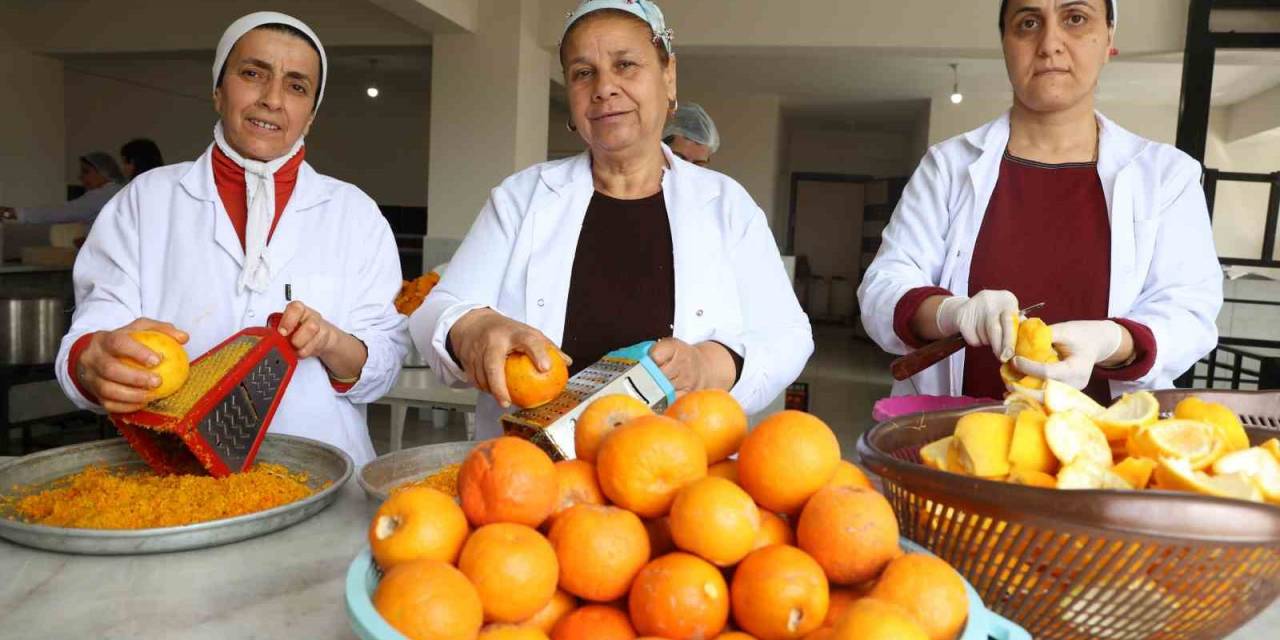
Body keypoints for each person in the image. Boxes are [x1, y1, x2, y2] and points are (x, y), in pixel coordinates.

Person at [410, 0, 812, 438]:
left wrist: (713, 364)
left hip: (677, 472)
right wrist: (475, 327)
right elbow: (437, 311)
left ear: (668, 76)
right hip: (531, 478)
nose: (604, 88)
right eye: (584, 73)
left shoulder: (725, 205)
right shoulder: (523, 198)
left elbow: (788, 335)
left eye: (625, 65)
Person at [53, 12, 409, 465]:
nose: (272, 99)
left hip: (325, 471)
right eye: (253, 74)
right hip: (175, 471)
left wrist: (330, 342)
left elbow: (383, 363)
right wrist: (92, 362)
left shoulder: (354, 214)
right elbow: (91, 333)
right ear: (218, 90)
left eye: (296, 86)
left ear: (311, 115)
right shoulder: (146, 201)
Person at [859, 0, 1221, 405]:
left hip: (1104, 455)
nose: (1050, 43)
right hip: (952, 440)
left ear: (1109, 40)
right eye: (1028, 23)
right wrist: (953, 313)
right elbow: (884, 288)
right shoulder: (948, 167)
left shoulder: (1166, 176)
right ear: (1005, 45)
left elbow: (1189, 311)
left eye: (1076, 18)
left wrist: (1111, 341)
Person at [0, 152, 125, 224]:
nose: (81, 177)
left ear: (103, 171)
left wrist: (13, 213)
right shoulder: (120, 191)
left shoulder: (102, 195)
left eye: (86, 171)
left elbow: (63, 212)